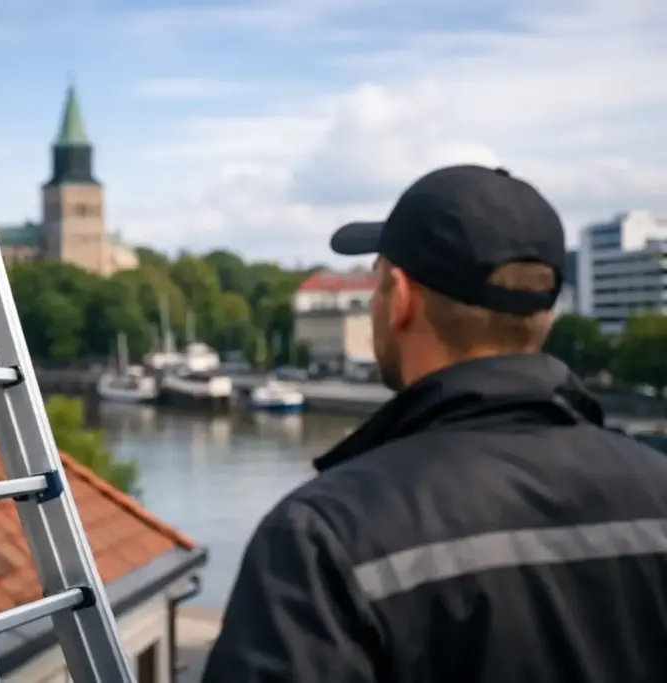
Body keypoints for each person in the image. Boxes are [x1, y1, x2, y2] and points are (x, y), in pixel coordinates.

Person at [200, 164, 667, 682]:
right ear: (546, 313)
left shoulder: (324, 535)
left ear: (398, 298)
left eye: (375, 280)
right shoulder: (657, 486)